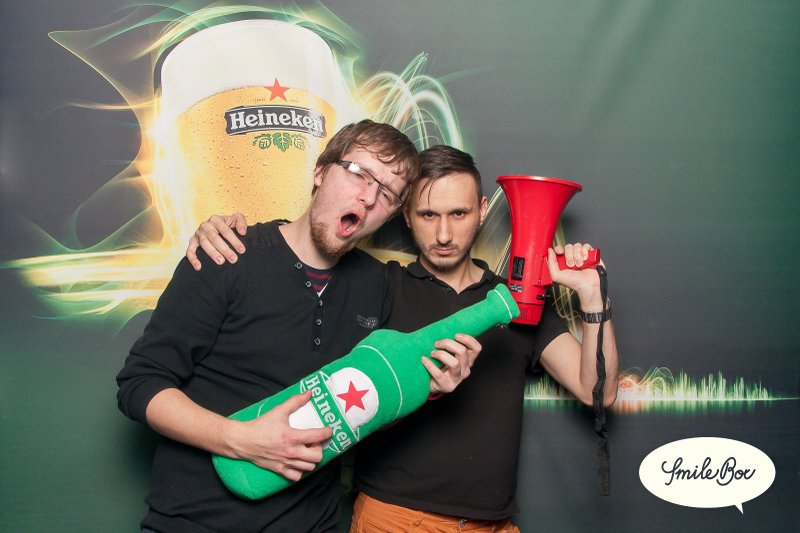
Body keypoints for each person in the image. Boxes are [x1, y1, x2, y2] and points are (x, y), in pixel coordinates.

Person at [188, 145, 619, 532]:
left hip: (494, 523)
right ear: (406, 216)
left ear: (482, 210)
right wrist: (226, 234)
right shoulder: (376, 285)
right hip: (394, 518)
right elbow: (300, 253)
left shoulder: (517, 302)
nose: (444, 234)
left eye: (459, 214)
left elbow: (597, 391)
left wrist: (592, 295)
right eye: (428, 215)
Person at [116, 122, 483, 533]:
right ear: (321, 171)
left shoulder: (377, 286)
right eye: (359, 173)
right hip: (193, 522)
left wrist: (429, 387)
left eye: (387, 194)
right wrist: (238, 439)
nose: (368, 197)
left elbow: (369, 407)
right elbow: (140, 385)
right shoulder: (228, 254)